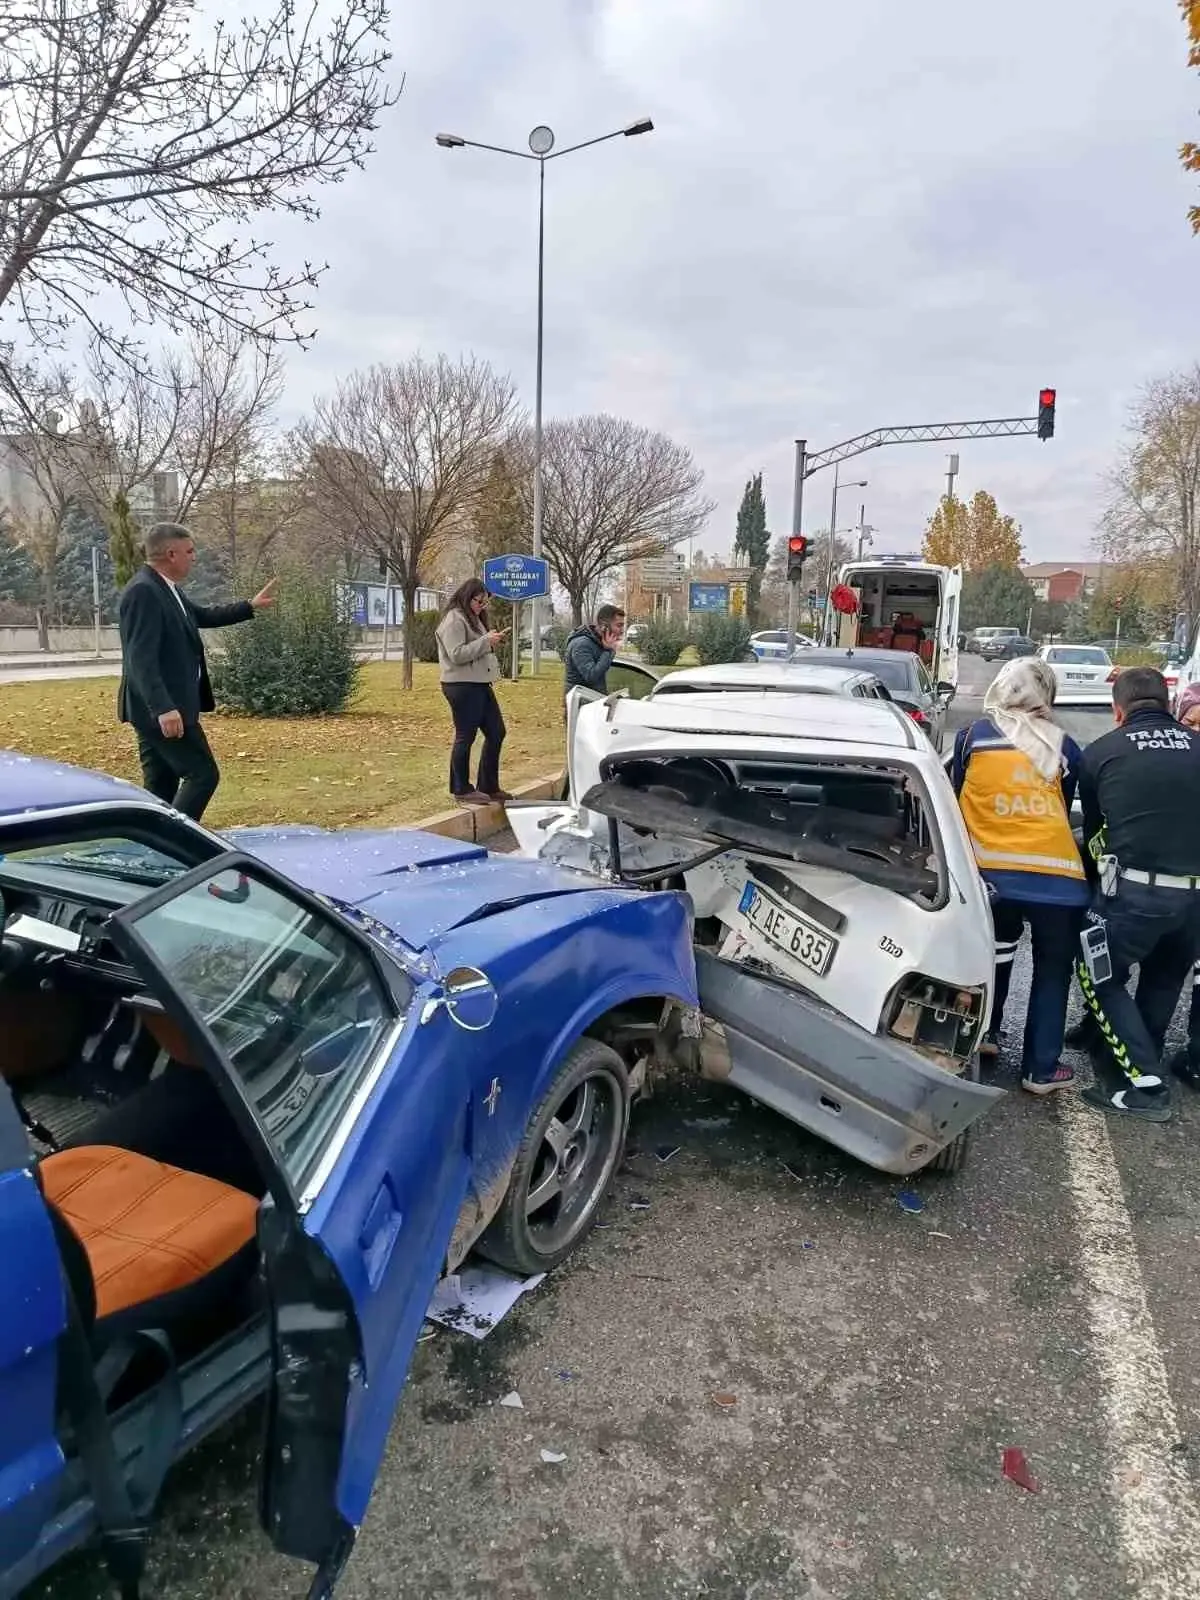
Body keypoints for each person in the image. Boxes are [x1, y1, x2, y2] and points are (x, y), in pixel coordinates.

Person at [950, 657, 1089, 1094]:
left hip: (991, 876)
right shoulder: (1063, 745)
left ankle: (985, 1036)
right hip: (1056, 880)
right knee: (1052, 970)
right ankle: (1040, 1070)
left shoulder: (972, 737)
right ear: (1045, 694)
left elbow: (954, 795)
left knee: (994, 953)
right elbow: (1062, 809)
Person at [1073, 667, 1200, 1121]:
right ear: (1169, 705)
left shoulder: (1102, 752)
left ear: (1117, 710)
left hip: (1133, 894)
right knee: (1164, 979)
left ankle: (1146, 1084)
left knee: (1097, 975)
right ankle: (1125, 1049)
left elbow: (1095, 832)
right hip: (1194, 900)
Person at [117, 522, 275, 822]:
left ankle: (155, 848)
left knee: (160, 787)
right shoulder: (144, 591)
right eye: (189, 551)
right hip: (163, 710)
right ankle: (180, 842)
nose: (194, 557)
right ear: (170, 553)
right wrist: (164, 708)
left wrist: (249, 606)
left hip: (158, 709)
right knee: (202, 775)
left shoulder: (165, 588)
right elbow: (140, 658)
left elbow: (200, 616)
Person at [436, 578, 510, 807]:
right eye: (478, 601)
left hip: (479, 683)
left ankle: (488, 785)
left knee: (496, 731)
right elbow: (456, 654)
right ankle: (461, 788)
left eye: (485, 602)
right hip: (461, 685)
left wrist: (489, 640)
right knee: (465, 736)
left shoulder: (472, 618)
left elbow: (474, 648)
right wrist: (486, 642)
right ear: (467, 596)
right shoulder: (454, 619)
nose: (481, 606)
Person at [563, 605, 626, 697]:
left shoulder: (600, 643)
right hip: (580, 705)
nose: (622, 631)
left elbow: (599, 679)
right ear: (604, 627)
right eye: (619, 626)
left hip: (593, 702)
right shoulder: (581, 644)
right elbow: (591, 676)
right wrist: (608, 650)